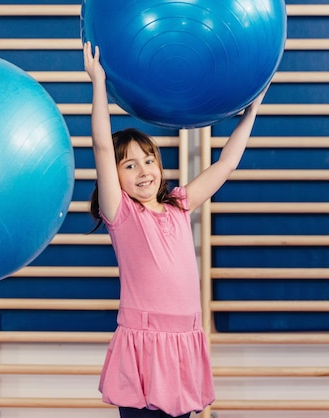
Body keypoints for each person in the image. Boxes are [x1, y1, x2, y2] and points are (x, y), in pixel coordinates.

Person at [83, 41, 267, 418]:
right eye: (129, 166)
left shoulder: (179, 204)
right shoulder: (120, 213)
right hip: (144, 345)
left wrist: (252, 111)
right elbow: (102, 145)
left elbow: (226, 164)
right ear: (115, 179)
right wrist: (98, 82)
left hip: (184, 342)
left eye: (148, 160)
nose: (143, 170)